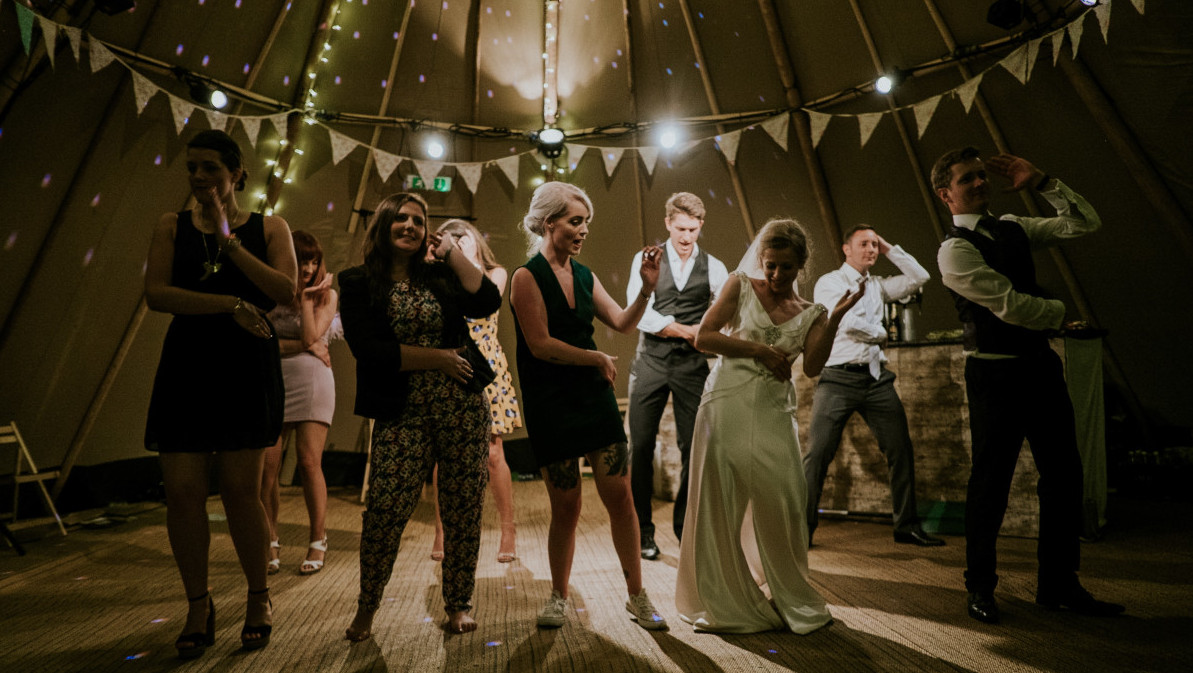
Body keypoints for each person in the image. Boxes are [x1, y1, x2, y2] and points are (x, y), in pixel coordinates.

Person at [933, 147, 1125, 624]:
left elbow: (1085, 223)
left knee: (1064, 475)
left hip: (1039, 367)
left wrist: (1043, 182)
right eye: (967, 179)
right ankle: (980, 587)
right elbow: (1012, 307)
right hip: (994, 375)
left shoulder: (1014, 225)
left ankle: (1059, 584)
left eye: (982, 175)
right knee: (990, 485)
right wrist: (1058, 312)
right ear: (945, 194)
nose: (979, 183)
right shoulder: (954, 249)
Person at [144, 129, 297, 658]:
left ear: (237, 176)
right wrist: (228, 304)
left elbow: (284, 291)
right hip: (187, 364)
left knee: (239, 492)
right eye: (192, 168)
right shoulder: (171, 225)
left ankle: (258, 597)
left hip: (244, 367)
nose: (199, 179)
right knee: (183, 493)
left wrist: (230, 240)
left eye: (210, 168)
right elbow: (157, 294)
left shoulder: (270, 227)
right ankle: (197, 605)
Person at [675, 218, 862, 633]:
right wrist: (759, 349)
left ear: (802, 266)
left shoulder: (811, 312)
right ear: (761, 260)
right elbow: (704, 337)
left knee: (784, 501)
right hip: (725, 404)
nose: (776, 275)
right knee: (719, 503)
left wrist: (833, 322)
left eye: (786, 267)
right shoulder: (740, 286)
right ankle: (724, 599)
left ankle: (783, 591)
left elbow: (812, 367)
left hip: (776, 413)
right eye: (770, 265)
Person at [338, 193, 501, 639]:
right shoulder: (355, 282)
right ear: (384, 224)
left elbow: (487, 301)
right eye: (401, 218)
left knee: (463, 507)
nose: (410, 226)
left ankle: (458, 604)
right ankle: (367, 605)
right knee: (386, 508)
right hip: (400, 411)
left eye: (418, 220)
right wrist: (438, 359)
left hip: (461, 407)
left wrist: (450, 251)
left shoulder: (439, 275)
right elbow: (369, 351)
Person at [509, 181, 668, 631]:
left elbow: (620, 322)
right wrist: (595, 357)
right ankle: (558, 596)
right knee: (567, 507)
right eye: (576, 221)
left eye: (586, 223)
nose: (583, 230)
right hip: (552, 401)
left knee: (620, 498)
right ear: (548, 222)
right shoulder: (526, 276)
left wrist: (646, 290)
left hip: (593, 398)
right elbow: (539, 345)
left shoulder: (585, 274)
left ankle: (636, 595)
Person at [802, 225, 943, 547]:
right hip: (838, 378)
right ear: (845, 249)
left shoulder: (878, 286)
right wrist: (881, 333)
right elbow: (846, 322)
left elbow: (920, 277)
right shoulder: (830, 282)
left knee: (900, 450)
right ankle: (802, 529)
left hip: (876, 379)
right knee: (818, 454)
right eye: (863, 244)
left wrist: (889, 246)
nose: (871, 249)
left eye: (874, 245)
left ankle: (906, 526)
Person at [626, 192, 728, 560]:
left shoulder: (714, 266)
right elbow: (642, 315)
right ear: (668, 223)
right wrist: (690, 331)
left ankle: (686, 527)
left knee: (695, 447)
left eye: (693, 229)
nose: (687, 237)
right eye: (681, 228)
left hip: (691, 367)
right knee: (640, 445)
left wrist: (711, 331)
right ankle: (642, 533)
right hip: (650, 361)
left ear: (701, 226)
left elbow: (724, 312)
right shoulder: (646, 258)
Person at [427, 219, 524, 564]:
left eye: (462, 239)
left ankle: (508, 529)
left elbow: (488, 300)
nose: (456, 245)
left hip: (487, 367)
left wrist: (465, 259)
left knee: (494, 453)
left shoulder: (496, 272)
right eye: (450, 242)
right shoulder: (440, 277)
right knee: (443, 455)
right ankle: (440, 530)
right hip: (452, 361)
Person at [260, 231, 337, 576]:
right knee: (267, 468)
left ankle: (317, 540)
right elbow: (261, 345)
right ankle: (269, 540)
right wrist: (303, 346)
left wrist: (306, 300)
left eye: (313, 261)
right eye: (301, 260)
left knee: (309, 463)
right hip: (271, 379)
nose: (307, 267)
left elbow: (311, 337)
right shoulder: (267, 293)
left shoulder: (326, 296)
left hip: (312, 381)